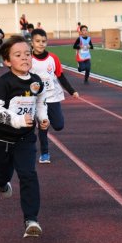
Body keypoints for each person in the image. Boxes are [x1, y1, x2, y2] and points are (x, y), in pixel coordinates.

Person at [0, 35, 50, 238]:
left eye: (28, 54)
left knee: (28, 175)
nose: (25, 58)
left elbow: (40, 102)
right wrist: (17, 121)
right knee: (4, 175)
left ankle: (31, 220)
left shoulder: (36, 81)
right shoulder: (3, 83)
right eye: (18, 55)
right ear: (7, 61)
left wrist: (42, 117)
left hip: (25, 139)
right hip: (1, 140)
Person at [30, 28, 79, 164]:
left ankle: (45, 121)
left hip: (53, 96)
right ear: (32, 42)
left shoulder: (53, 58)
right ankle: (44, 153)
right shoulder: (29, 59)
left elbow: (60, 76)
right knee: (43, 125)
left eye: (44, 41)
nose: (41, 44)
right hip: (38, 99)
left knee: (58, 125)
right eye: (38, 41)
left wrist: (71, 90)